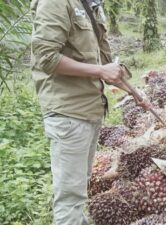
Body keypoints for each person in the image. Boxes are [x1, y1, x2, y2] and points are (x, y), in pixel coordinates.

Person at [31, 0, 148, 224]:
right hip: (69, 113)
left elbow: (103, 66)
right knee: (70, 198)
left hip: (90, 109)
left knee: (79, 188)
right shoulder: (56, 2)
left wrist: (134, 93)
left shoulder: (88, 5)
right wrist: (100, 70)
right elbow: (46, 58)